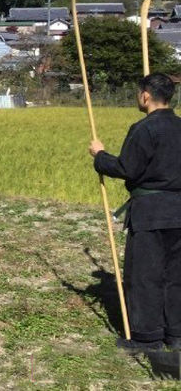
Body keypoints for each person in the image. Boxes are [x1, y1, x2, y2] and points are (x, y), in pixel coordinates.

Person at [89, 73, 181, 352]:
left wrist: (100, 155)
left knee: (145, 275)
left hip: (151, 213)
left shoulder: (144, 129)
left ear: (145, 96)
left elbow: (126, 169)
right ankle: (176, 335)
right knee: (176, 274)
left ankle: (147, 337)